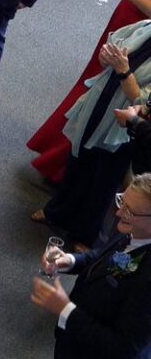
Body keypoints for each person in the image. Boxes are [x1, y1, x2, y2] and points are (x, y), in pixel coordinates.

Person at [30, 0, 151, 182]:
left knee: (104, 93)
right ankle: (60, 151)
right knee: (90, 82)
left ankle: (66, 165)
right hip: (124, 22)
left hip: (141, 37)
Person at [33, 173, 151, 359]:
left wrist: (65, 310)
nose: (119, 213)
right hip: (74, 355)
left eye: (130, 210)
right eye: (122, 202)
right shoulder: (133, 230)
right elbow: (105, 258)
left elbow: (123, 348)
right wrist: (70, 260)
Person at [37, 21, 151, 247]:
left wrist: (122, 70)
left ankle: (85, 235)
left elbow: (142, 103)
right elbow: (112, 43)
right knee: (77, 161)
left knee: (104, 181)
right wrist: (106, 57)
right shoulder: (146, 26)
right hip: (99, 103)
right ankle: (57, 211)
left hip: (123, 123)